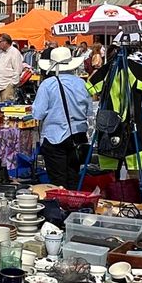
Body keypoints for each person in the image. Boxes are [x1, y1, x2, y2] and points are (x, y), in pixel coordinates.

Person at [32, 47, 91, 188]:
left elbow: (38, 113)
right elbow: (89, 111)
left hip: (55, 136)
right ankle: (73, 200)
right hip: (78, 136)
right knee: (73, 177)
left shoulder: (48, 84)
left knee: (58, 181)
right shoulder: (82, 83)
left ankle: (61, 202)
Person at [0, 33, 24, 102]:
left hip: (7, 86)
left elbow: (17, 70)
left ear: (5, 42)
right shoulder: (0, 53)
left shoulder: (14, 52)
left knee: (6, 106)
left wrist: (12, 84)